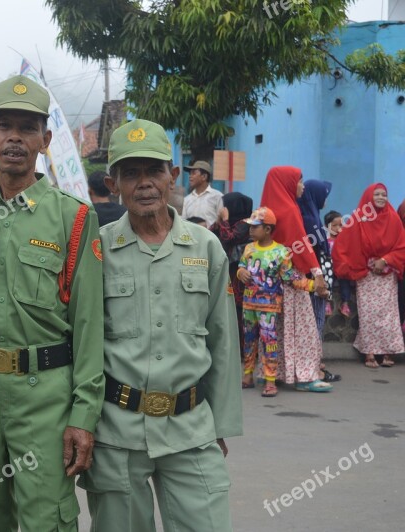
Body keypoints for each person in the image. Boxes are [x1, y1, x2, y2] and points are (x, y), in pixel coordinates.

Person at [0, 75, 104, 531]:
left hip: (45, 397)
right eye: (4, 126)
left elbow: (89, 326)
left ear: (45, 140)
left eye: (28, 128)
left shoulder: (74, 219)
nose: (15, 138)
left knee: (46, 518)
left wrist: (83, 416)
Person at [79, 118, 242, 531]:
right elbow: (84, 341)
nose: (144, 183)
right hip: (117, 432)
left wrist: (220, 426)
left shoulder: (205, 247)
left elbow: (223, 340)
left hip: (190, 429)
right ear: (113, 184)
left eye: (153, 170)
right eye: (130, 173)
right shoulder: (98, 249)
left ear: (172, 177)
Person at [260, 166, 333, 392]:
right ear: (288, 184)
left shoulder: (265, 211)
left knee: (276, 330)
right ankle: (304, 377)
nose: (301, 186)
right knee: (302, 328)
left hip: (269, 282)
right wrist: (317, 274)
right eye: (298, 181)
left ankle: (275, 373)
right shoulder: (290, 210)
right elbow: (301, 247)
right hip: (293, 280)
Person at [238, 207, 316, 397]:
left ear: (267, 229)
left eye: (255, 227)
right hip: (248, 304)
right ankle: (247, 375)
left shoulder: (281, 252)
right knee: (249, 341)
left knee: (269, 342)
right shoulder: (248, 248)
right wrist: (240, 273)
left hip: (269, 307)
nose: (250, 230)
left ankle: (270, 380)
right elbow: (241, 265)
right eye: (250, 226)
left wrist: (313, 285)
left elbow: (289, 276)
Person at [332, 183, 405, 369]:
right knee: (369, 314)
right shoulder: (358, 218)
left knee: (389, 314)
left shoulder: (394, 219)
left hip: (387, 274)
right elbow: (344, 244)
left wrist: (386, 260)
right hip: (366, 274)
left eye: (384, 194)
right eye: (377, 194)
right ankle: (370, 352)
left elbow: (402, 245)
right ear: (368, 197)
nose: (381, 198)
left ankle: (388, 352)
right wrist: (364, 263)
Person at [297, 179, 341, 383]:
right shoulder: (309, 221)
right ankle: (313, 367)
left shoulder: (310, 216)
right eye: (324, 194)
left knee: (315, 323)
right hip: (314, 283)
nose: (326, 200)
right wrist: (319, 281)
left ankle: (315, 363)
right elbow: (313, 255)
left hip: (315, 281)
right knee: (315, 323)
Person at [210, 192, 253, 355]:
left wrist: (226, 220)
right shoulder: (232, 222)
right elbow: (212, 232)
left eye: (225, 205)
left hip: (240, 273)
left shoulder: (246, 224)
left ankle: (243, 350)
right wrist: (220, 221)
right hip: (230, 271)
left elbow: (229, 237)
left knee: (239, 312)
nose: (223, 209)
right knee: (231, 310)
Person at [324, 210, 352, 317]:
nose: (338, 228)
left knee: (345, 282)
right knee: (328, 281)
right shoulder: (326, 242)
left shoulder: (344, 240)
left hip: (340, 268)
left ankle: (345, 304)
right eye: (334, 225)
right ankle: (327, 304)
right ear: (327, 227)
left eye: (340, 225)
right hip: (330, 269)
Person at [181, 160, 223, 227]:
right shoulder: (187, 199)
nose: (190, 176)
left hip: (211, 236)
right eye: (190, 174)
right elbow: (183, 223)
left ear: (204, 176)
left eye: (193, 173)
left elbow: (221, 221)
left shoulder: (217, 197)